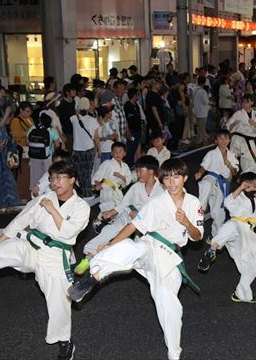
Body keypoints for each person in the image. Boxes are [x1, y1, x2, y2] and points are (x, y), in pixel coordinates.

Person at [0, 161, 89, 360]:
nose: (55, 182)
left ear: (72, 180)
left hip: (54, 254)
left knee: (59, 299)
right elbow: (21, 219)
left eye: (60, 178)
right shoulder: (45, 197)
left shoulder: (81, 207)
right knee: (8, 249)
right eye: (52, 178)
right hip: (31, 243)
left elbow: (68, 233)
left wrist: (52, 210)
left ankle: (65, 341)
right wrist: (1, 240)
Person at [67, 158, 203, 360]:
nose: (172, 182)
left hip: (170, 256)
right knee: (133, 247)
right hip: (150, 244)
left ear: (184, 178)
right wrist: (111, 242)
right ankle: (94, 276)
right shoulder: (156, 203)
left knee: (169, 303)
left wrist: (187, 222)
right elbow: (134, 226)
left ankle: (174, 353)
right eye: (167, 178)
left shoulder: (193, 203)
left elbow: (198, 236)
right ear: (161, 180)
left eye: (176, 177)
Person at [74, 155, 164, 276]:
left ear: (151, 172)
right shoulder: (136, 187)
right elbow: (124, 203)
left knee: (141, 254)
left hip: (146, 225)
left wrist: (141, 215)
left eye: (140, 170)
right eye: (137, 171)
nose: (137, 174)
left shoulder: (161, 191)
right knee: (108, 231)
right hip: (127, 218)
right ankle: (89, 257)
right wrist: (111, 212)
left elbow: (160, 213)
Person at [197, 172, 256, 303]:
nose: (253, 188)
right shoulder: (238, 197)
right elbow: (227, 202)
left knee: (254, 268)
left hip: (248, 235)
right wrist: (239, 189)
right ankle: (212, 250)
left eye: (255, 186)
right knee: (231, 226)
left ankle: (241, 294)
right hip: (236, 225)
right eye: (249, 186)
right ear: (243, 186)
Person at [194, 129, 239, 241]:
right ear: (216, 141)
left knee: (219, 214)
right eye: (220, 138)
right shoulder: (211, 153)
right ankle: (201, 208)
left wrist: (229, 165)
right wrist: (200, 172)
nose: (223, 140)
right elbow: (204, 166)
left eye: (226, 138)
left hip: (222, 183)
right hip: (211, 177)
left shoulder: (232, 155)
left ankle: (214, 236)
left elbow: (234, 173)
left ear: (229, 140)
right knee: (205, 184)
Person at [227, 94, 256, 172]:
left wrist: (255, 124)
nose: (244, 104)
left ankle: (246, 177)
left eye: (246, 102)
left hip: (249, 140)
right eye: (243, 102)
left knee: (249, 162)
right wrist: (234, 124)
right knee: (231, 160)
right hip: (237, 139)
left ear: (252, 102)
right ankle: (229, 176)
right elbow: (229, 127)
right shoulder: (238, 113)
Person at [92, 141, 132, 215]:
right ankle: (100, 220)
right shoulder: (107, 163)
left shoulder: (125, 166)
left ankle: (103, 219)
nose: (118, 154)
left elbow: (128, 179)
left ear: (124, 153)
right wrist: (97, 183)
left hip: (118, 190)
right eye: (115, 151)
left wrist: (120, 176)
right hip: (107, 189)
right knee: (107, 207)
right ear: (111, 153)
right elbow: (98, 174)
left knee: (118, 209)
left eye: (120, 151)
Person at [70, 96, 98, 197]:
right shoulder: (93, 120)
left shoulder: (73, 119)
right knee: (88, 173)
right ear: (88, 107)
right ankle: (87, 193)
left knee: (79, 173)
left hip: (77, 149)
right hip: (89, 149)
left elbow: (75, 113)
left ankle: (82, 193)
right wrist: (99, 148)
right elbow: (96, 136)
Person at [28, 113, 61, 192]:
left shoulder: (32, 128)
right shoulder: (52, 130)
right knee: (48, 176)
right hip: (48, 157)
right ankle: (48, 192)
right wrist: (52, 148)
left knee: (35, 177)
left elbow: (28, 141)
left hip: (34, 156)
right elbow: (57, 144)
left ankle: (35, 194)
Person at [124, 87, 143, 166]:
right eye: (137, 95)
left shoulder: (136, 105)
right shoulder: (127, 106)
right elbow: (126, 119)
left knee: (136, 146)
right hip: (132, 131)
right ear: (134, 95)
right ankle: (129, 164)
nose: (138, 97)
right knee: (131, 148)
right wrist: (128, 131)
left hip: (138, 129)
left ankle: (134, 162)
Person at [193, 76, 211, 145]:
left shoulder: (195, 89)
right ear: (204, 82)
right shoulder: (202, 91)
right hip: (202, 112)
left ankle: (203, 139)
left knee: (200, 127)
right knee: (201, 127)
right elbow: (206, 102)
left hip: (196, 110)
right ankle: (199, 141)